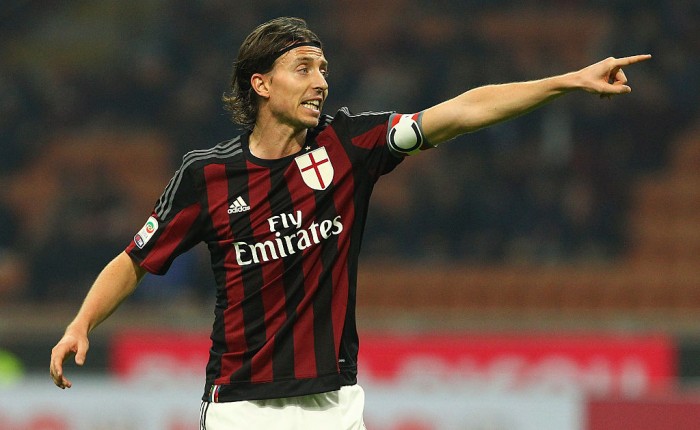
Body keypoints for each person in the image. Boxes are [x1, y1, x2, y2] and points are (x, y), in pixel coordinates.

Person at [50, 16, 650, 430]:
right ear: (261, 83)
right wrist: (81, 323)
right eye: (303, 68)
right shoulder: (206, 176)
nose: (321, 81)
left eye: (324, 68)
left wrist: (565, 82)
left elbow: (459, 114)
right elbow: (135, 259)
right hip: (240, 407)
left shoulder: (349, 143)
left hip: (335, 405)